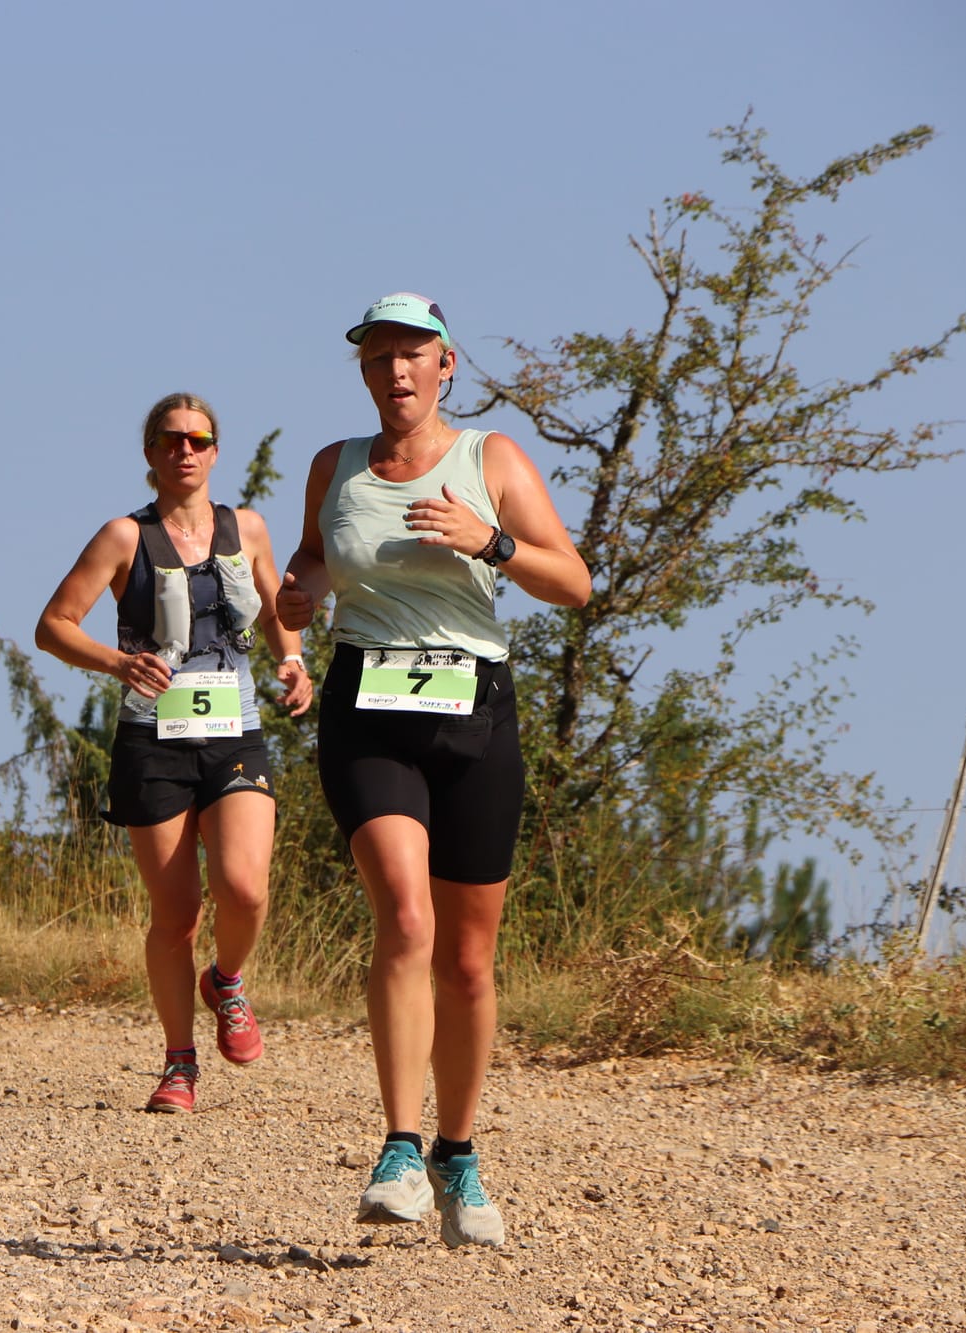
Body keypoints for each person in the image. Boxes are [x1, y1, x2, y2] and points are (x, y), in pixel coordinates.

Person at [277, 294, 590, 1244]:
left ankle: (459, 1150)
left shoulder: (491, 460)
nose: (396, 372)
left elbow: (572, 583)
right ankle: (401, 1148)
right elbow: (304, 574)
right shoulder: (334, 467)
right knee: (404, 917)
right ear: (365, 373)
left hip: (474, 712)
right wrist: (292, 615)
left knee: (466, 957)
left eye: (413, 355)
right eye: (378, 358)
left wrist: (489, 541)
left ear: (446, 364)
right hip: (367, 705)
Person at [37, 392, 312, 1113]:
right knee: (177, 912)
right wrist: (115, 662)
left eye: (198, 438)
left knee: (244, 887)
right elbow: (54, 625)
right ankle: (179, 1062)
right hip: (151, 739)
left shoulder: (246, 527)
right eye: (170, 440)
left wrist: (293, 659)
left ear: (216, 450)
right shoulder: (123, 537)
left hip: (234, 734)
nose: (185, 451)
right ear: (151, 452)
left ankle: (226, 979)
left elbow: (278, 608)